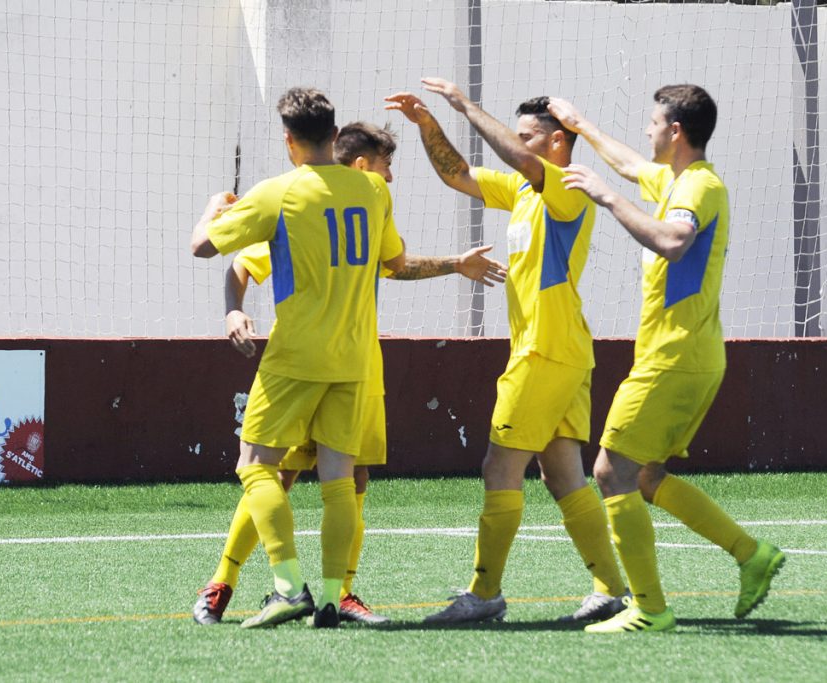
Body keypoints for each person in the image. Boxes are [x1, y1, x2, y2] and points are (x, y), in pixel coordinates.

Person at [193, 121, 507, 626]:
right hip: (316, 364)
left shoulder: (356, 197)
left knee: (349, 477)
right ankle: (223, 581)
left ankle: (340, 593)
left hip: (356, 363)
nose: (392, 177)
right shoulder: (308, 200)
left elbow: (395, 264)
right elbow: (243, 264)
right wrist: (233, 308)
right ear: (363, 165)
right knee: (282, 474)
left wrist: (454, 263)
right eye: (387, 165)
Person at [385, 81, 629, 624]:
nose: (517, 145)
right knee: (563, 474)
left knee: (500, 467)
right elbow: (457, 174)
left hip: (544, 352)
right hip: (558, 350)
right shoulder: (523, 190)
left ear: (557, 143)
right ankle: (611, 589)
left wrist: (466, 104)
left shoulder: (564, 185)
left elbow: (515, 157)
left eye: (528, 136)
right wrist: (428, 124)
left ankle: (485, 592)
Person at [546, 86, 785, 633]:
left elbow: (672, 240)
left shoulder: (699, 186)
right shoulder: (677, 179)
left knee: (610, 471)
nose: (647, 132)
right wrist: (581, 126)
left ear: (675, 130)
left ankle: (649, 608)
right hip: (686, 355)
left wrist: (606, 198)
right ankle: (751, 554)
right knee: (646, 476)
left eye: (653, 122)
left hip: (674, 357)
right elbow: (630, 163)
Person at [190, 88, 406, 629]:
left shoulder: (279, 193)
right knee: (339, 481)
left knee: (255, 466)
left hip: (295, 357)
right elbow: (394, 261)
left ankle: (288, 587)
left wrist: (213, 211)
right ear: (335, 136)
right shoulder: (374, 191)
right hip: (355, 359)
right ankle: (332, 598)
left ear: (288, 141)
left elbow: (203, 247)